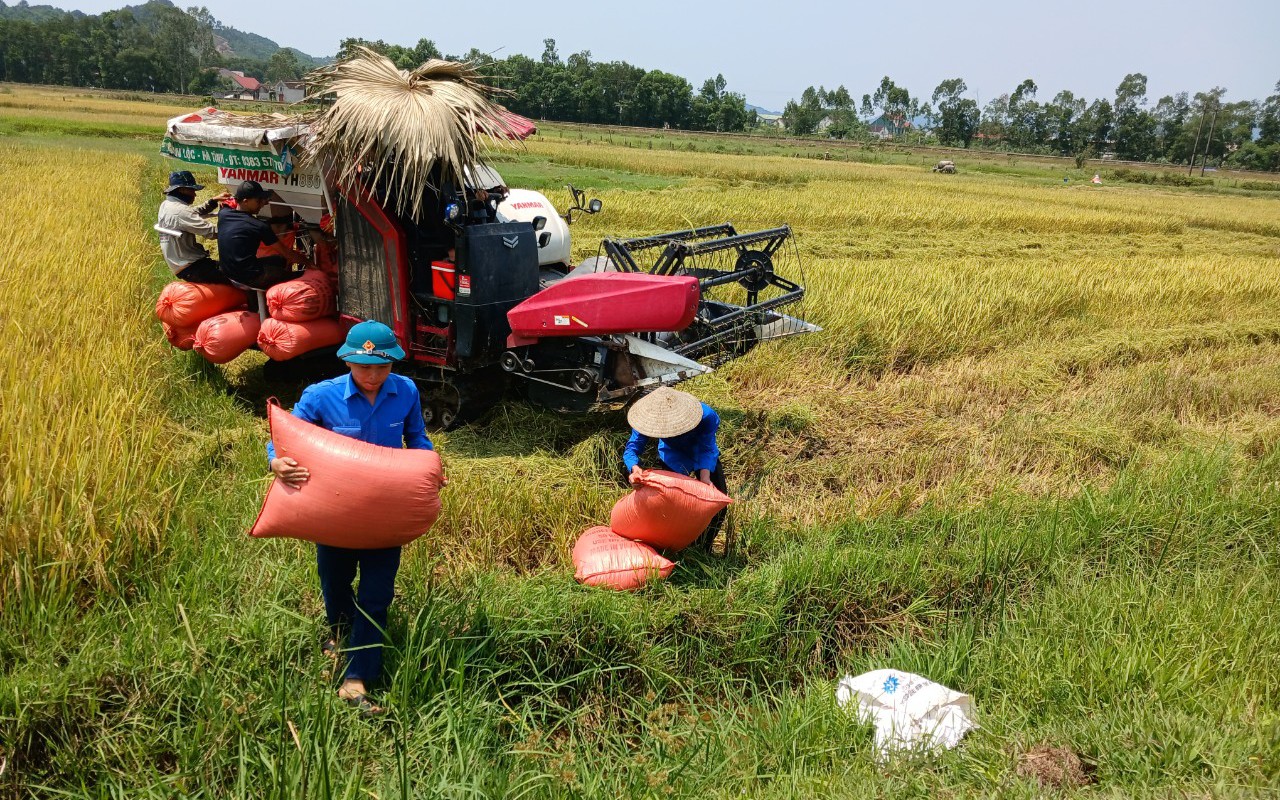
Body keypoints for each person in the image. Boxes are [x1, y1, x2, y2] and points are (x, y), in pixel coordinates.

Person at [267, 320, 434, 714]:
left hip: (384, 514)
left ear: (393, 363)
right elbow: (283, 437)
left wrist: (429, 464)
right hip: (336, 512)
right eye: (364, 367)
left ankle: (356, 678)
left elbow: (418, 437)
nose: (373, 375)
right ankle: (341, 633)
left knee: (377, 594)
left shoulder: (406, 391)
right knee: (334, 579)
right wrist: (277, 462)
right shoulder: (320, 397)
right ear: (347, 362)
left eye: (382, 366)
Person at [622, 386, 728, 550]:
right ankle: (680, 546)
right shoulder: (647, 419)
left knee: (717, 502)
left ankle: (705, 546)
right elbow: (632, 449)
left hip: (702, 453)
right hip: (673, 456)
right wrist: (635, 468)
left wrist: (704, 477)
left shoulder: (706, 415)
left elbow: (706, 448)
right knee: (674, 506)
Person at [218, 179, 312, 289]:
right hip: (249, 276)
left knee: (279, 260)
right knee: (295, 277)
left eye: (263, 200)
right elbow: (286, 253)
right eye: (259, 201)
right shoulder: (258, 226)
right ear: (245, 201)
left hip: (227, 272)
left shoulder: (223, 214)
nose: (262, 204)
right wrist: (309, 263)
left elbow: (230, 203)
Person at [156, 171, 231, 283]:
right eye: (192, 190)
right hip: (193, 267)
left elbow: (191, 213)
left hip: (182, 265)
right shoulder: (179, 211)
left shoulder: (167, 205)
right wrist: (237, 227)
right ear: (182, 190)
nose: (195, 195)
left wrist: (212, 201)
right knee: (238, 277)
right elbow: (212, 232)